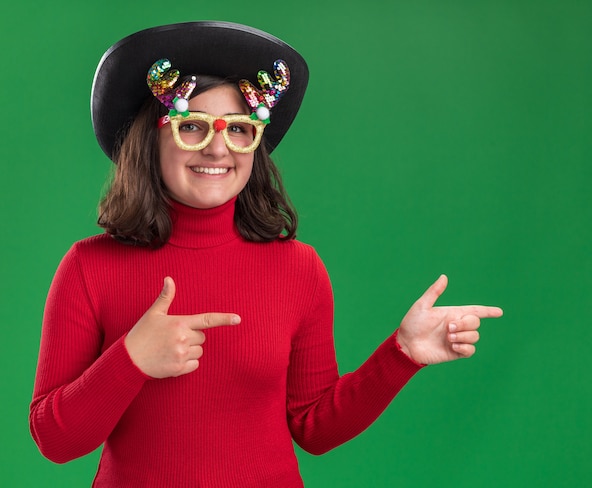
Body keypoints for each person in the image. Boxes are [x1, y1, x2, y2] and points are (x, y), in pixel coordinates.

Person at [30, 21, 503, 487]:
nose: (218, 149)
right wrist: (131, 357)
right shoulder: (89, 267)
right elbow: (55, 440)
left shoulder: (299, 269)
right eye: (191, 126)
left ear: (255, 143)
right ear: (149, 139)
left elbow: (315, 426)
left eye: (238, 129)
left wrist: (402, 355)